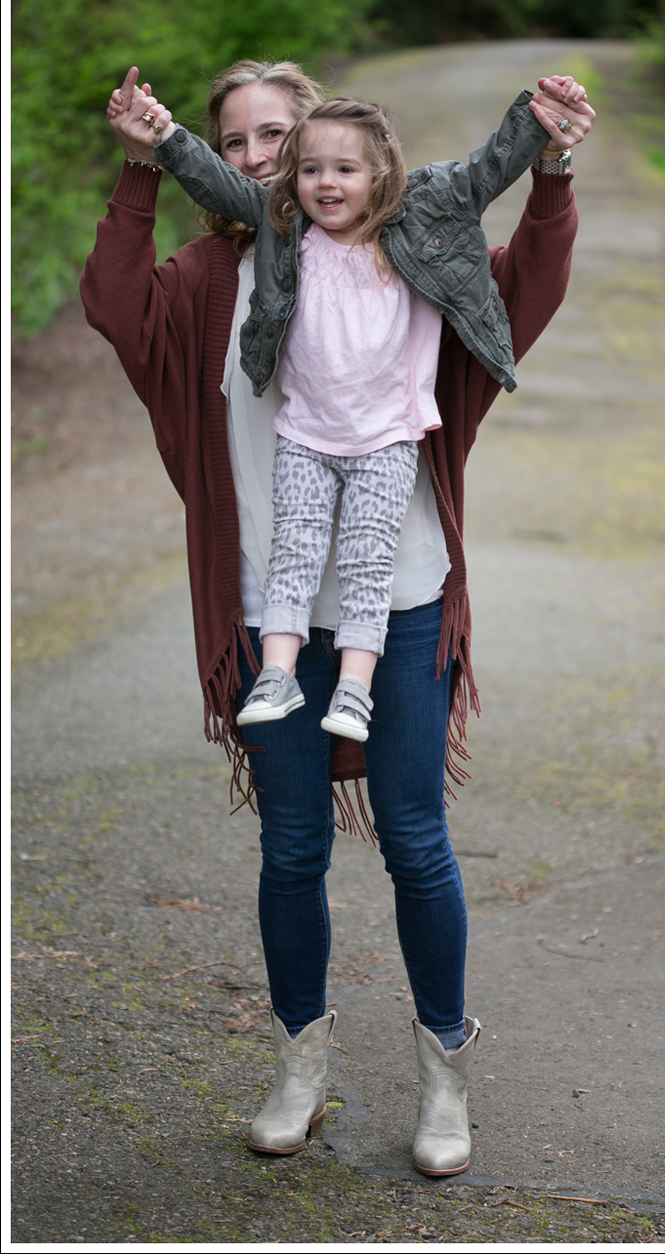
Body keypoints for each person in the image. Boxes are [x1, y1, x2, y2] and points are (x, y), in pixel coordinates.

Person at [81, 58, 593, 1176]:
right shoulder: (208, 282)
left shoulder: (399, 247)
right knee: (292, 848)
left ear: (328, 150)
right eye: (238, 141)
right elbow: (115, 306)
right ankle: (299, 1069)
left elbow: (520, 289)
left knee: (415, 838)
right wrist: (140, 170)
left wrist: (550, 170)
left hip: (402, 599)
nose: (259, 158)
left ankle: (444, 1075)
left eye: (278, 136)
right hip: (268, 613)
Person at [141, 82, 581, 747]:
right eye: (311, 169)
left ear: (382, 175)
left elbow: (489, 168)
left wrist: (539, 124)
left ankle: (355, 685)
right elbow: (216, 181)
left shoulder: (420, 217)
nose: (326, 183)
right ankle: (278, 675)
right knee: (292, 553)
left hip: (385, 440)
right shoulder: (284, 226)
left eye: (345, 169)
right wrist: (163, 136)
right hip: (305, 435)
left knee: (366, 559)